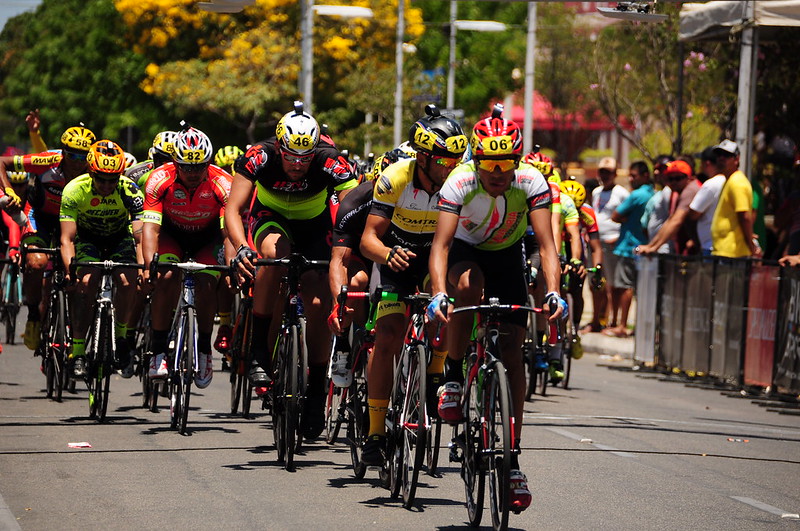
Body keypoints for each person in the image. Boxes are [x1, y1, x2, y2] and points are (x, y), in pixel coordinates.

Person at [428, 104, 565, 512]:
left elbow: (546, 246)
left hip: (507, 256)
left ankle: (513, 460)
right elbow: (441, 246)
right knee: (468, 287)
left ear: (517, 161)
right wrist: (439, 292)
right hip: (466, 253)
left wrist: (553, 292)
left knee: (513, 353)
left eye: (505, 165)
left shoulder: (531, 181)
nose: (497, 174)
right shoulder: (460, 181)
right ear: (477, 159)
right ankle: (453, 374)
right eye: (489, 163)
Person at [227, 101, 356, 439]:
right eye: (291, 157)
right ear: (279, 146)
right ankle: (257, 351)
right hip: (271, 217)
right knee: (273, 254)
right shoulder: (260, 155)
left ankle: (315, 392)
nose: (298, 166)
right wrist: (242, 248)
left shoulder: (330, 160)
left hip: (315, 225)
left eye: (305, 158)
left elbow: (354, 206)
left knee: (316, 305)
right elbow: (233, 209)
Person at [357, 104, 467, 466]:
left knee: (451, 307)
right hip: (398, 259)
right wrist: (388, 255)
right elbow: (368, 240)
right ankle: (374, 430)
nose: (450, 167)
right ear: (422, 157)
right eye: (442, 161)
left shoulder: (459, 182)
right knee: (388, 334)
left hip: (437, 257)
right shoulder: (395, 178)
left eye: (455, 160)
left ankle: (436, 376)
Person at [141, 126, 233, 389]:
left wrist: (229, 267)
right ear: (175, 162)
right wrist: (150, 266)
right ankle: (158, 351)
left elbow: (228, 234)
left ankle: (204, 349)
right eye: (186, 167)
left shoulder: (222, 183)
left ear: (209, 163)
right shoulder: (159, 179)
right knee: (166, 276)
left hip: (208, 238)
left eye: (199, 167)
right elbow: (151, 228)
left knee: (206, 283)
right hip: (172, 235)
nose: (193, 174)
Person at [0, 125, 96, 351]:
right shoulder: (47, 161)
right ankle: (33, 315)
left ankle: (74, 327)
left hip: (74, 222)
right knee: (37, 262)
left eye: (83, 155)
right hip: (41, 217)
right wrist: (8, 191)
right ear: (63, 152)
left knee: (79, 273)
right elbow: (2, 162)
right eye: (72, 154)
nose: (78, 161)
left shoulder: (95, 169)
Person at [59, 140, 144, 378]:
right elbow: (67, 239)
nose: (107, 185)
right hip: (88, 240)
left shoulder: (130, 190)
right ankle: (77, 352)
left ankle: (121, 337)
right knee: (85, 283)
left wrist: (142, 270)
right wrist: (69, 271)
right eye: (101, 178)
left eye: (112, 179)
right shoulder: (74, 190)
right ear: (90, 172)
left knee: (128, 283)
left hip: (119, 239)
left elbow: (139, 238)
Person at [605, 161, 654, 338]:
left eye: (634, 176)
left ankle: (622, 325)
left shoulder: (637, 195)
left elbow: (616, 215)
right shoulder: (652, 193)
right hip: (643, 246)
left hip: (629, 247)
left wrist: (624, 219)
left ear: (645, 176)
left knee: (624, 287)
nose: (631, 179)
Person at [590, 157, 629, 331]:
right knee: (597, 283)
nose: (605, 175)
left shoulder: (622, 193)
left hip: (613, 242)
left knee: (614, 285)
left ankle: (614, 322)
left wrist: (618, 237)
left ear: (615, 174)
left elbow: (627, 217)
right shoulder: (596, 192)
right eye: (602, 172)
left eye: (609, 172)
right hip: (595, 243)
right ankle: (597, 321)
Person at [637, 160, 700, 256]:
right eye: (670, 179)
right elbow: (670, 220)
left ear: (689, 177)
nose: (674, 182)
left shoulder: (689, 190)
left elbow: (676, 221)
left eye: (678, 178)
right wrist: (651, 246)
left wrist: (653, 247)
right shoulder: (676, 193)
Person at [710, 140, 761, 258]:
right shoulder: (729, 180)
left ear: (736, 159)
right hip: (724, 251)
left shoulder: (737, 182)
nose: (721, 159)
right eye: (718, 155)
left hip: (732, 254)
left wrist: (751, 246)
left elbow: (745, 216)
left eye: (727, 155)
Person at [688, 147, 726, 256]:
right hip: (722, 246)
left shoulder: (711, 184)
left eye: (701, 163)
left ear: (707, 163)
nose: (700, 166)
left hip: (710, 246)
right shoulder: (728, 181)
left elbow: (693, 213)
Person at [640, 155, 674, 254]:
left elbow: (672, 221)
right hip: (654, 247)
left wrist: (654, 246)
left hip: (665, 248)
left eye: (661, 168)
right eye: (655, 169)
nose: (656, 172)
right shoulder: (659, 193)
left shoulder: (671, 192)